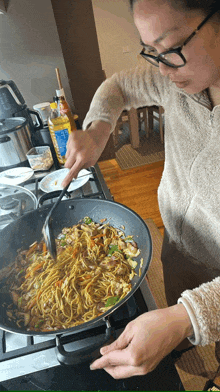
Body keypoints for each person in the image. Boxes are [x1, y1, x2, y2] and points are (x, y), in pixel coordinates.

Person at [62, 0, 220, 379]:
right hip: (179, 246)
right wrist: (99, 129)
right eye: (152, 52)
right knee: (177, 330)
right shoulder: (175, 81)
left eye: (172, 49)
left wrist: (189, 316)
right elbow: (118, 86)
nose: (163, 69)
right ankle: (183, 352)